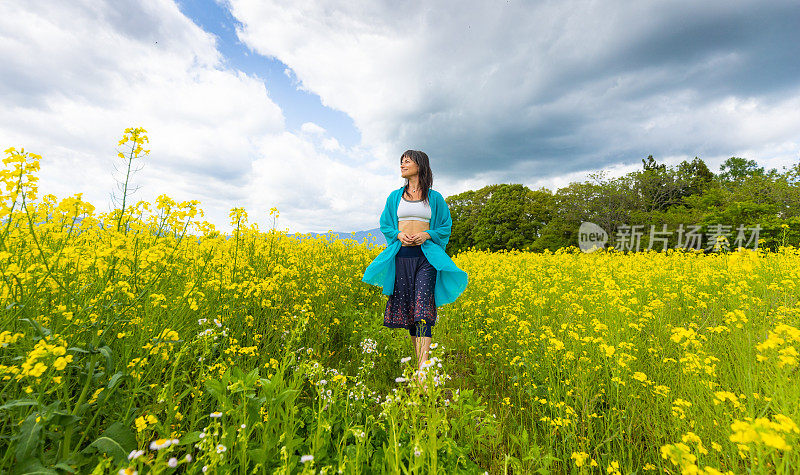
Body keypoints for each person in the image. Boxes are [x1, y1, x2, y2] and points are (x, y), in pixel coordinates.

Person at [361, 150, 469, 386]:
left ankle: (422, 371)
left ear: (420, 165)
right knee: (411, 310)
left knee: (423, 307)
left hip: (426, 258)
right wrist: (399, 234)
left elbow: (444, 227)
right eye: (401, 161)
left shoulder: (435, 198)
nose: (403, 164)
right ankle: (421, 365)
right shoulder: (394, 197)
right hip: (401, 257)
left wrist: (426, 235)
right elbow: (386, 224)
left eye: (407, 161)